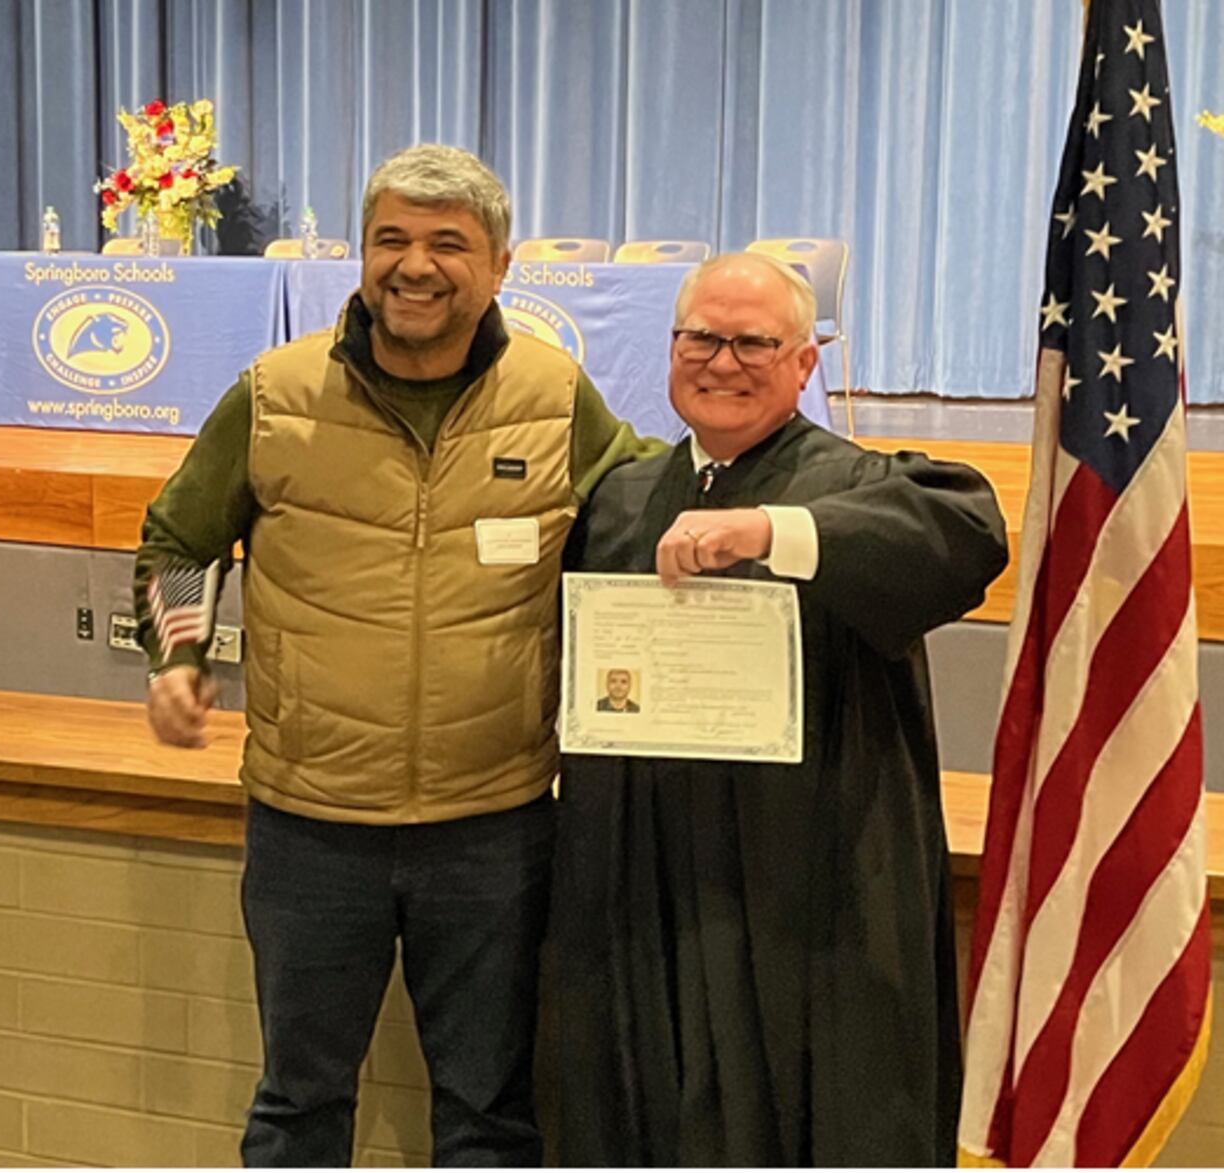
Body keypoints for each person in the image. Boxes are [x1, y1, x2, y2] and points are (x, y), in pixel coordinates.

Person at [133, 143, 655, 1167]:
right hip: (308, 827)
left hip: (494, 829)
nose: (414, 266)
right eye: (391, 240)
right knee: (298, 1110)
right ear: (360, 257)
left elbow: (653, 506)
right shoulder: (275, 392)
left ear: (500, 265)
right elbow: (178, 539)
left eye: (447, 244)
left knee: (489, 1117)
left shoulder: (555, 396)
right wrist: (176, 659)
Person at [541, 252, 1008, 1166]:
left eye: (755, 342)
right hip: (644, 869)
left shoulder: (854, 484)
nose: (723, 361)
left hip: (809, 876)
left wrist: (770, 531)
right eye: (701, 338)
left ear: (805, 363)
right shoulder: (623, 499)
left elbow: (969, 532)